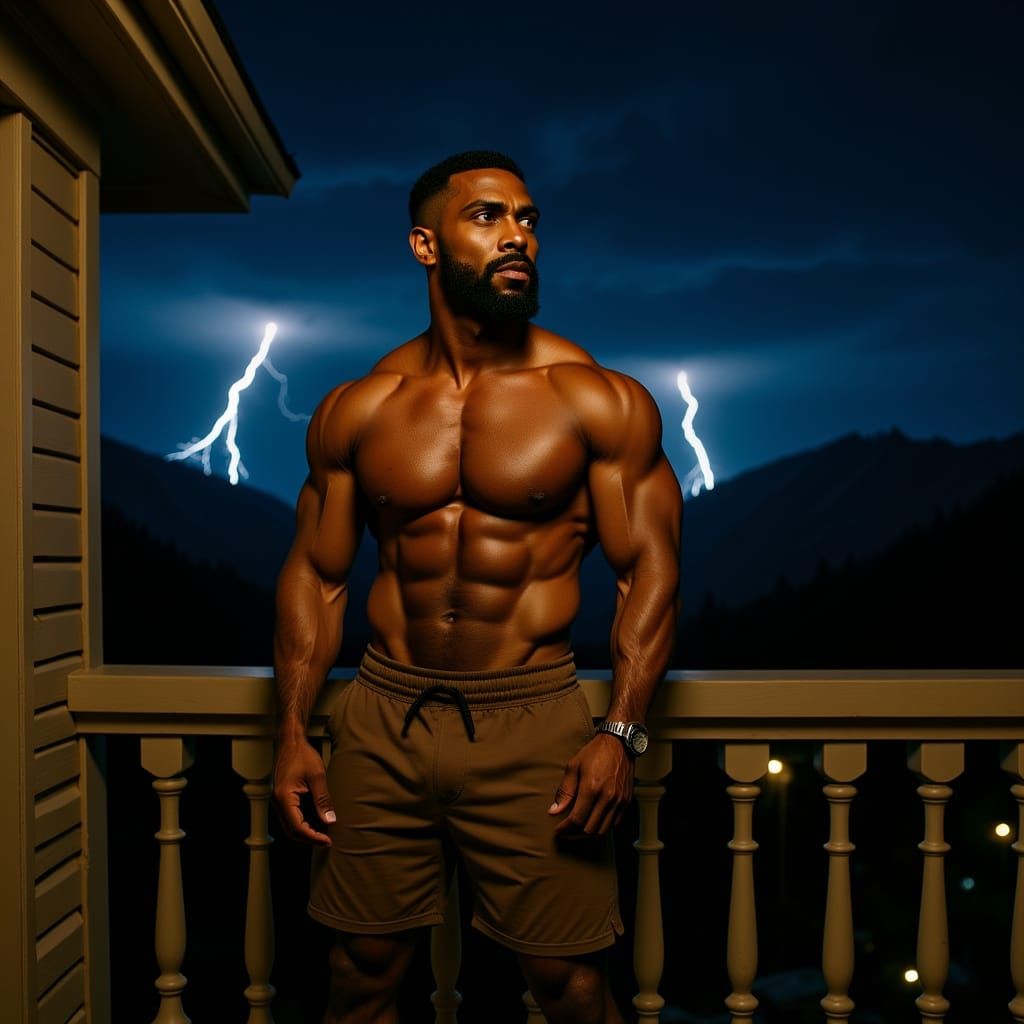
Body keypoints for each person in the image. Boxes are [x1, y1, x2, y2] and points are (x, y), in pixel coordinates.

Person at [272, 150, 682, 1024]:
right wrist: (293, 733)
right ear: (426, 244)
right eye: (489, 217)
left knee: (568, 985)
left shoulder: (595, 398)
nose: (517, 236)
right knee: (360, 973)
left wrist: (621, 730)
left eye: (528, 219)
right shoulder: (362, 405)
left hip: (532, 716)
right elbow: (318, 571)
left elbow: (649, 568)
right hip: (383, 716)